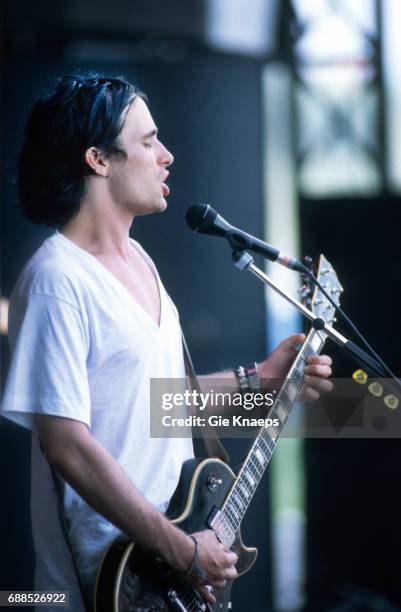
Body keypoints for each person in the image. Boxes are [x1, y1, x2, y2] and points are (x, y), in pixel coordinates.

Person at [1, 73, 332, 611]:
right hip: (99, 589)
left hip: (163, 581)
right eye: (148, 141)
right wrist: (180, 548)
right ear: (98, 159)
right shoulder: (57, 279)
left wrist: (261, 379)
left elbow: (159, 404)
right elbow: (66, 443)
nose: (167, 155)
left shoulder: (143, 265)